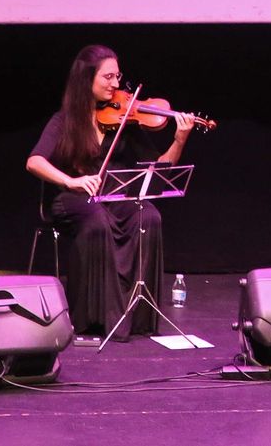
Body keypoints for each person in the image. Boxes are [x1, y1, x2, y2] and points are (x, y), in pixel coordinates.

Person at [26, 44, 197, 341]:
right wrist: (70, 181)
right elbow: (34, 161)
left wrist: (179, 139)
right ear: (86, 79)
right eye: (108, 77)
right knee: (96, 220)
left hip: (110, 199)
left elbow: (159, 167)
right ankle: (93, 318)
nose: (116, 85)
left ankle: (136, 316)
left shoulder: (125, 120)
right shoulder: (64, 121)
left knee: (149, 216)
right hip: (71, 200)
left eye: (117, 77)